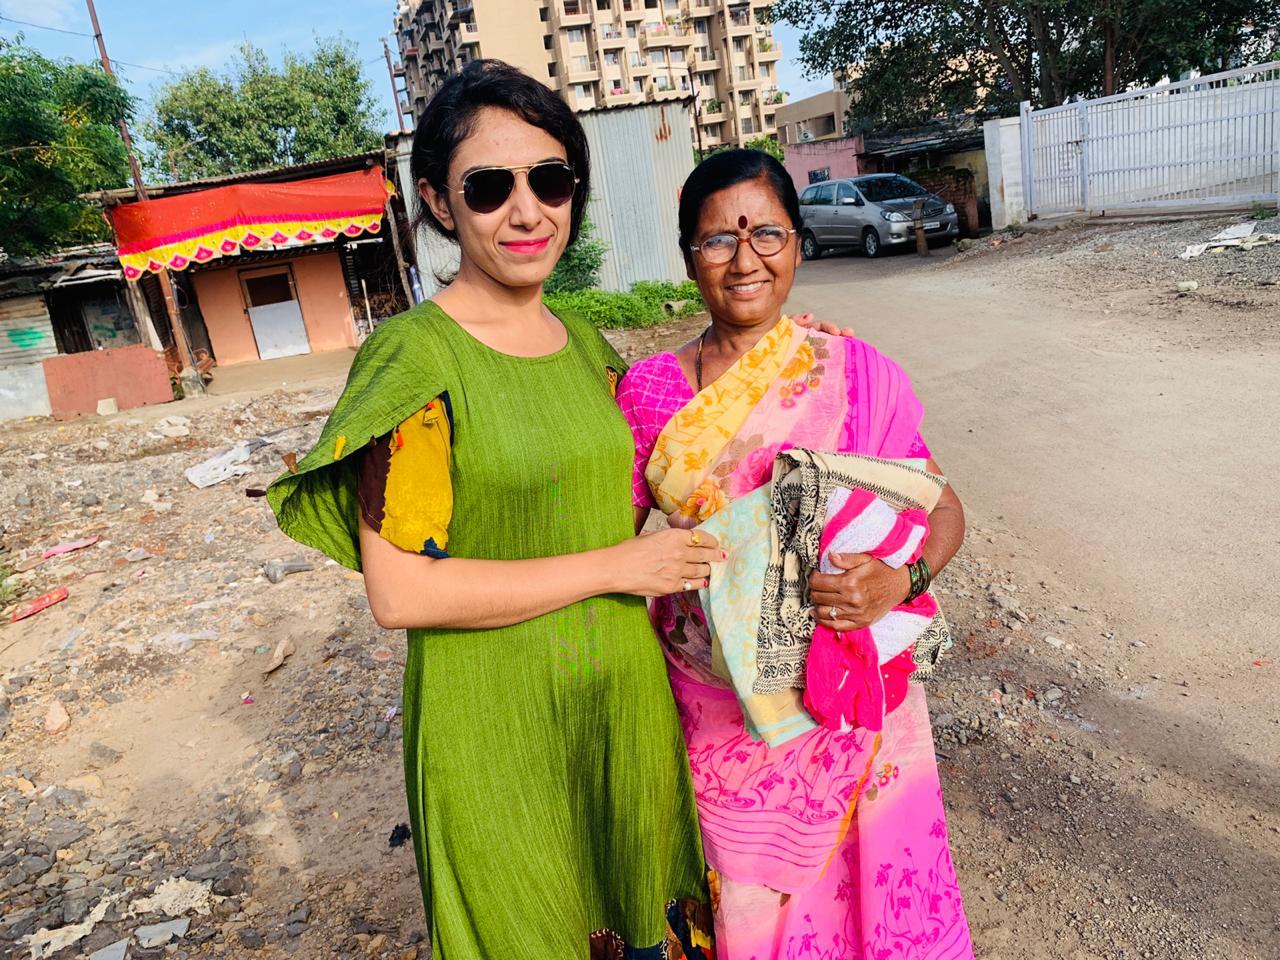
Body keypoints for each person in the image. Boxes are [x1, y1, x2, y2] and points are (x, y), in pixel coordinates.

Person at [266, 60, 728, 959]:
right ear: (441, 203)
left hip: (621, 708)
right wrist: (616, 568)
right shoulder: (418, 359)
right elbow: (401, 591)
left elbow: (666, 460)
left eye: (550, 181)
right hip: (494, 726)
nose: (527, 212)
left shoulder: (587, 347)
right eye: (489, 187)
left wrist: (783, 350)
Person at [616, 149, 975, 959]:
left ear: (798, 244)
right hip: (720, 713)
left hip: (855, 705)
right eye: (718, 239)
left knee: (874, 902)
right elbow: (607, 549)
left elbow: (944, 507)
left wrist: (901, 580)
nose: (745, 259)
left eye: (767, 233)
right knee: (752, 912)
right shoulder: (649, 392)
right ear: (689, 257)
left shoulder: (851, 369)